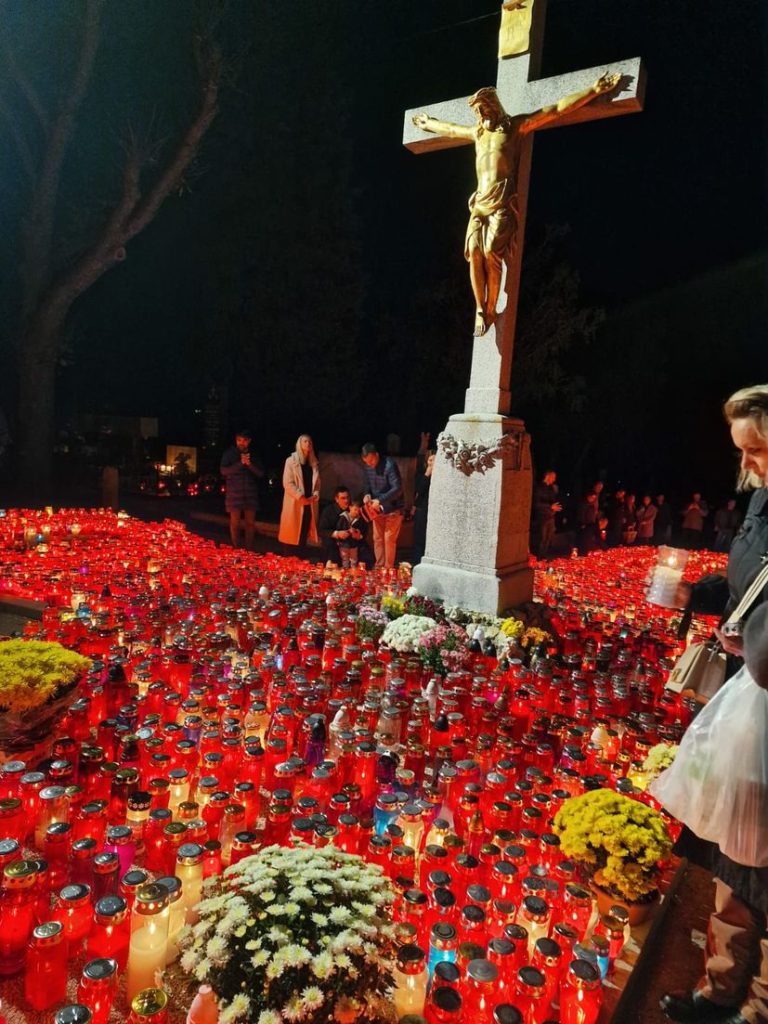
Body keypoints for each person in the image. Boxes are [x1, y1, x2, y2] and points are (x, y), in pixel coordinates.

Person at [660, 384, 768, 1024]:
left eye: (758, 450)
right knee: (737, 843)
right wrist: (697, 596)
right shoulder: (761, 499)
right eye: (744, 451)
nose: (747, 465)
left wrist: (751, 640)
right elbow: (746, 583)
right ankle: (721, 986)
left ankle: (759, 1008)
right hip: (749, 696)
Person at [412, 74, 619, 337]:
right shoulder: (478, 133)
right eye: (477, 113)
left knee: (490, 252)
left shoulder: (516, 128)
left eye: (483, 109)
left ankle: (491, 306)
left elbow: (556, 109)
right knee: (474, 251)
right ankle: (481, 309)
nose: (481, 116)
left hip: (501, 203)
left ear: (494, 106)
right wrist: (429, 123)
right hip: (480, 203)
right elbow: (452, 129)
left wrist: (593, 89)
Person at [360, 442, 404, 569]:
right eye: (367, 462)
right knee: (377, 538)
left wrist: (380, 500)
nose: (370, 464)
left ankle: (388, 568)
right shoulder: (368, 466)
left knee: (388, 539)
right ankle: (379, 567)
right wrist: (367, 494)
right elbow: (367, 484)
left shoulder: (390, 465)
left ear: (377, 455)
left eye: (371, 461)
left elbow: (397, 488)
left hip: (393, 506)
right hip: (376, 508)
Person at [220, 430, 264, 550]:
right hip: (234, 493)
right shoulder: (229, 453)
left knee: (250, 523)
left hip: (251, 493)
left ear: (249, 441)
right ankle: (236, 548)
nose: (241, 443)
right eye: (239, 440)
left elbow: (260, 473)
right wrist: (240, 463)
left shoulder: (254, 454)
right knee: (235, 523)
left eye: (244, 440)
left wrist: (249, 465)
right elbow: (224, 471)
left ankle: (248, 550)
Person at [278, 434, 320, 557]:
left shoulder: (313, 463)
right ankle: (289, 561)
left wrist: (315, 494)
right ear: (299, 444)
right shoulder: (291, 461)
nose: (308, 444)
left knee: (303, 533)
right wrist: (300, 496)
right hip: (295, 503)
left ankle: (300, 561)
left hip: (308, 504)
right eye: (305, 441)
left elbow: (317, 483)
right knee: (291, 535)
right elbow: (287, 482)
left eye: (310, 442)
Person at [412, 434, 434, 565]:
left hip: (434, 510)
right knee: (419, 538)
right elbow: (419, 489)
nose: (432, 463)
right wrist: (427, 473)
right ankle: (417, 563)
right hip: (422, 509)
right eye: (430, 460)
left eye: (434, 460)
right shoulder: (423, 473)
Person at [319, 486, 352, 567]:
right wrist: (337, 534)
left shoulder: (353, 509)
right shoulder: (328, 511)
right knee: (329, 545)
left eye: (347, 497)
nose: (346, 501)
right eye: (343, 498)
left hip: (351, 543)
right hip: (334, 543)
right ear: (337, 499)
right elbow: (321, 530)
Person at [532, 470, 561, 559]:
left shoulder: (551, 488)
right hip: (542, 516)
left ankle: (543, 556)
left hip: (550, 516)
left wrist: (554, 507)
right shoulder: (539, 488)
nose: (554, 479)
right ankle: (538, 557)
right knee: (542, 537)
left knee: (548, 538)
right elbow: (537, 504)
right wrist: (550, 506)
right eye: (553, 477)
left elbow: (553, 500)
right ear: (547, 476)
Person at [576, 491, 599, 555]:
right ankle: (582, 553)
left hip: (591, 524)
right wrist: (583, 523)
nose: (593, 499)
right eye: (592, 497)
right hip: (585, 524)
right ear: (588, 496)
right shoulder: (583, 504)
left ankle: (585, 552)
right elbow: (581, 514)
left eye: (594, 498)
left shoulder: (591, 504)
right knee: (584, 540)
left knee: (588, 539)